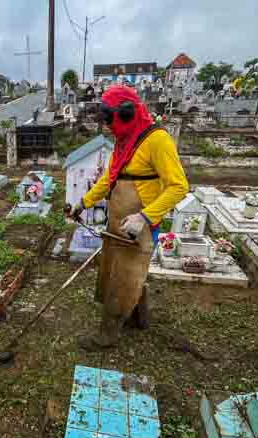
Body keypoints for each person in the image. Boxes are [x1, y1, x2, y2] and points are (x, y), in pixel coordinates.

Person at [70, 85, 189, 351]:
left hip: (139, 226)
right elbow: (109, 179)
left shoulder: (158, 141)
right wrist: (83, 202)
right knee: (118, 274)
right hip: (117, 225)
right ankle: (139, 318)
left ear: (125, 114)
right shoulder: (125, 141)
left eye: (110, 121)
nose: (109, 128)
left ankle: (107, 335)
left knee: (124, 279)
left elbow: (179, 186)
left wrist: (145, 217)